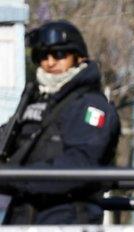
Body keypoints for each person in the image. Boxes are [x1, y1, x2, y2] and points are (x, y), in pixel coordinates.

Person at [0, 20, 120, 224]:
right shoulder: (36, 100)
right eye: (43, 56)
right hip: (22, 215)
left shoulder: (91, 106)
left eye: (59, 54)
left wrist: (14, 178)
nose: (50, 62)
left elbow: (79, 165)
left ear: (79, 57)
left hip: (67, 216)